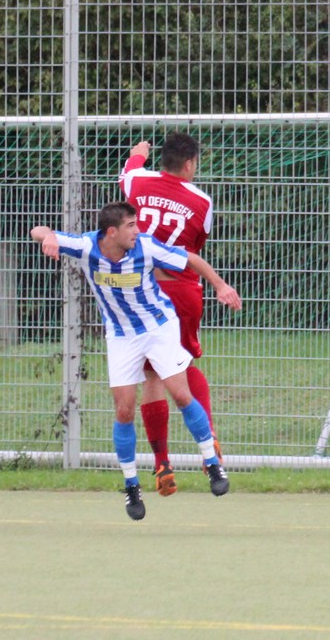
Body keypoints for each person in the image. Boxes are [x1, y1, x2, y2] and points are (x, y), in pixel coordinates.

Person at [29, 201, 229, 520]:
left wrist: (220, 285)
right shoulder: (85, 247)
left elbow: (190, 258)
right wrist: (49, 237)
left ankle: (213, 464)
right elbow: (37, 230)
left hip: (158, 326)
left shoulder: (146, 247)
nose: (138, 230)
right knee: (123, 409)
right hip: (122, 335)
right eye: (131, 226)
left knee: (180, 394)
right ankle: (132, 486)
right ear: (112, 232)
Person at [119, 134, 241, 496]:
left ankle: (161, 463)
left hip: (140, 288)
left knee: (154, 376)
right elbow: (194, 247)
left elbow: (129, 172)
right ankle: (209, 444)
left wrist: (137, 154)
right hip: (181, 288)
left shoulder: (136, 180)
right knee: (181, 365)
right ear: (189, 164)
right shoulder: (202, 202)